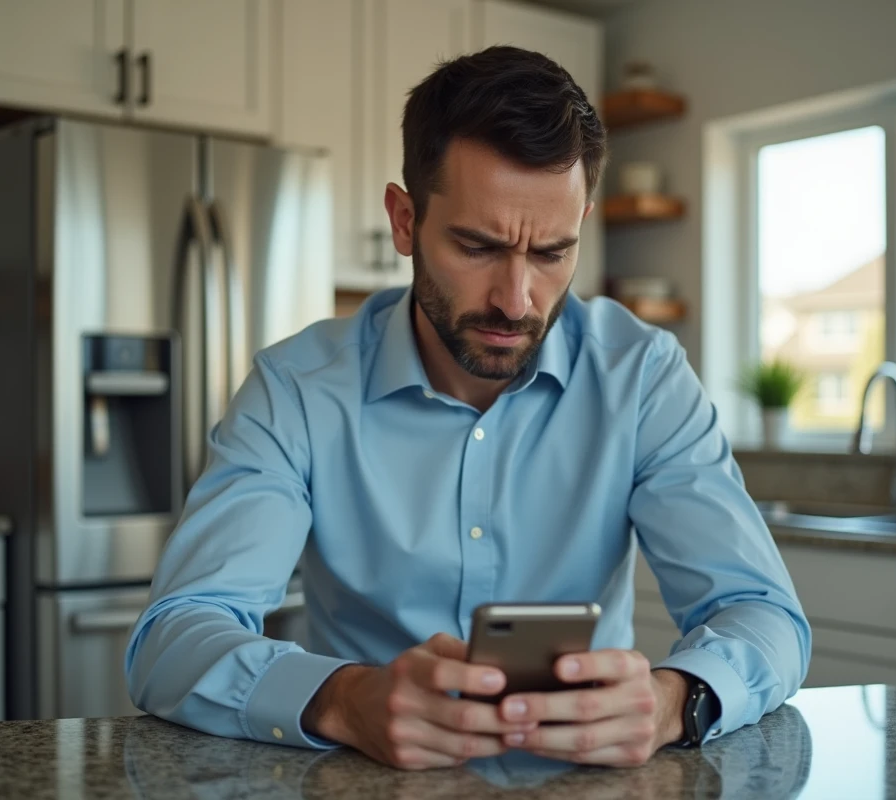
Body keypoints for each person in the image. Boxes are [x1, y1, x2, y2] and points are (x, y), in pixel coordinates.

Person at [125, 45, 810, 772]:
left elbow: (764, 616)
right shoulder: (296, 388)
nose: (516, 301)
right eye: (477, 246)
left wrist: (677, 699)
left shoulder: (641, 376)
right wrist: (344, 699)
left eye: (551, 252)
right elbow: (175, 635)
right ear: (403, 220)